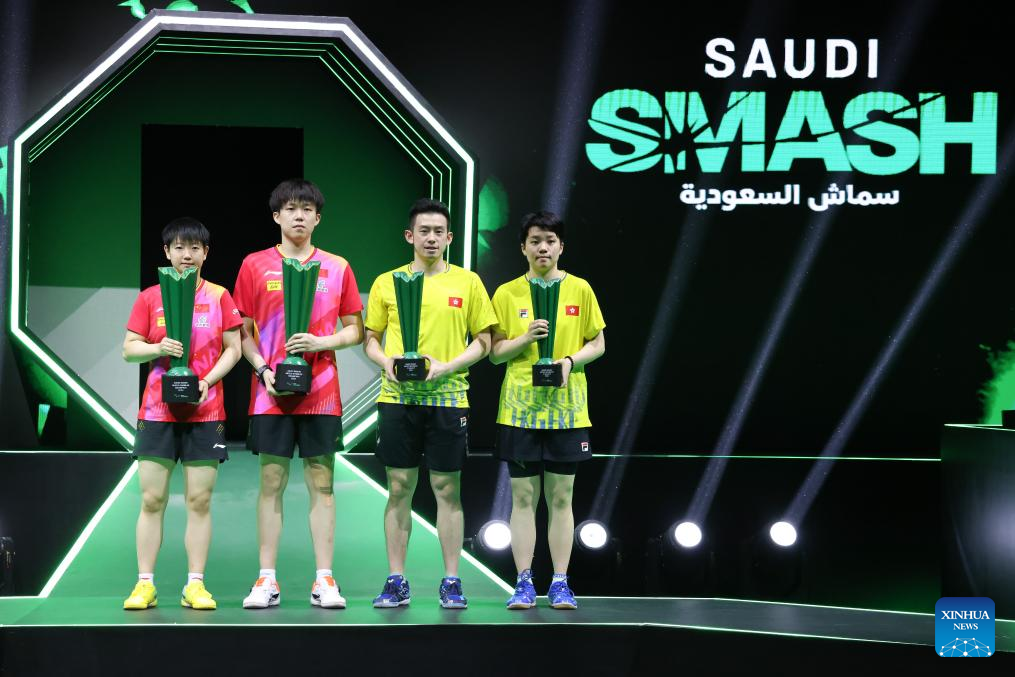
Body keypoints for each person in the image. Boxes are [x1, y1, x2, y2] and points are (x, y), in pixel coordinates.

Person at [233, 179, 364, 609]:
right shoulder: (254, 265)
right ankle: (266, 579)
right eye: (290, 208)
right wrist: (263, 370)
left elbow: (355, 330)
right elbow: (242, 331)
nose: (299, 216)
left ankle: (324, 579)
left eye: (307, 209)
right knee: (271, 481)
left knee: (322, 483)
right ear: (277, 216)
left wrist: (321, 342)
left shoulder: (337, 266)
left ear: (318, 218)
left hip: (321, 392)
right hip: (270, 392)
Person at [364, 198, 497, 609]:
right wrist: (386, 362)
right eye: (424, 231)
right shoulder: (387, 282)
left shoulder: (468, 283)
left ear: (450, 238)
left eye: (439, 232)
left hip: (449, 398)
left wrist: (447, 367)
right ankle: (396, 580)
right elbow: (370, 339)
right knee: (399, 488)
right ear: (410, 236)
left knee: (446, 489)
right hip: (397, 399)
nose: (431, 238)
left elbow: (484, 341)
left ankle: (452, 581)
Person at [122, 217, 242, 611]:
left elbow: (234, 349)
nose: (186, 254)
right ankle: (144, 585)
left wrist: (207, 381)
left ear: (206, 253)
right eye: (178, 247)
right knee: (151, 499)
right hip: (157, 412)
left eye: (194, 248)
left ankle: (195, 585)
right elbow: (129, 349)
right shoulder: (149, 298)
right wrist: (158, 348)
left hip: (206, 413)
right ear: (166, 252)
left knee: (199, 500)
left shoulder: (220, 296)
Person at [489, 210, 606, 610]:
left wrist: (570, 362)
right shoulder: (507, 293)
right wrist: (525, 338)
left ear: (561, 247)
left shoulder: (580, 289)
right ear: (523, 247)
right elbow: (495, 354)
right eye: (535, 241)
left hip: (567, 411)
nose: (543, 247)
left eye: (550, 241)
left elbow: (598, 343)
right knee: (523, 498)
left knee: (561, 498)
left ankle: (559, 582)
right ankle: (523, 582)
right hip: (519, 410)